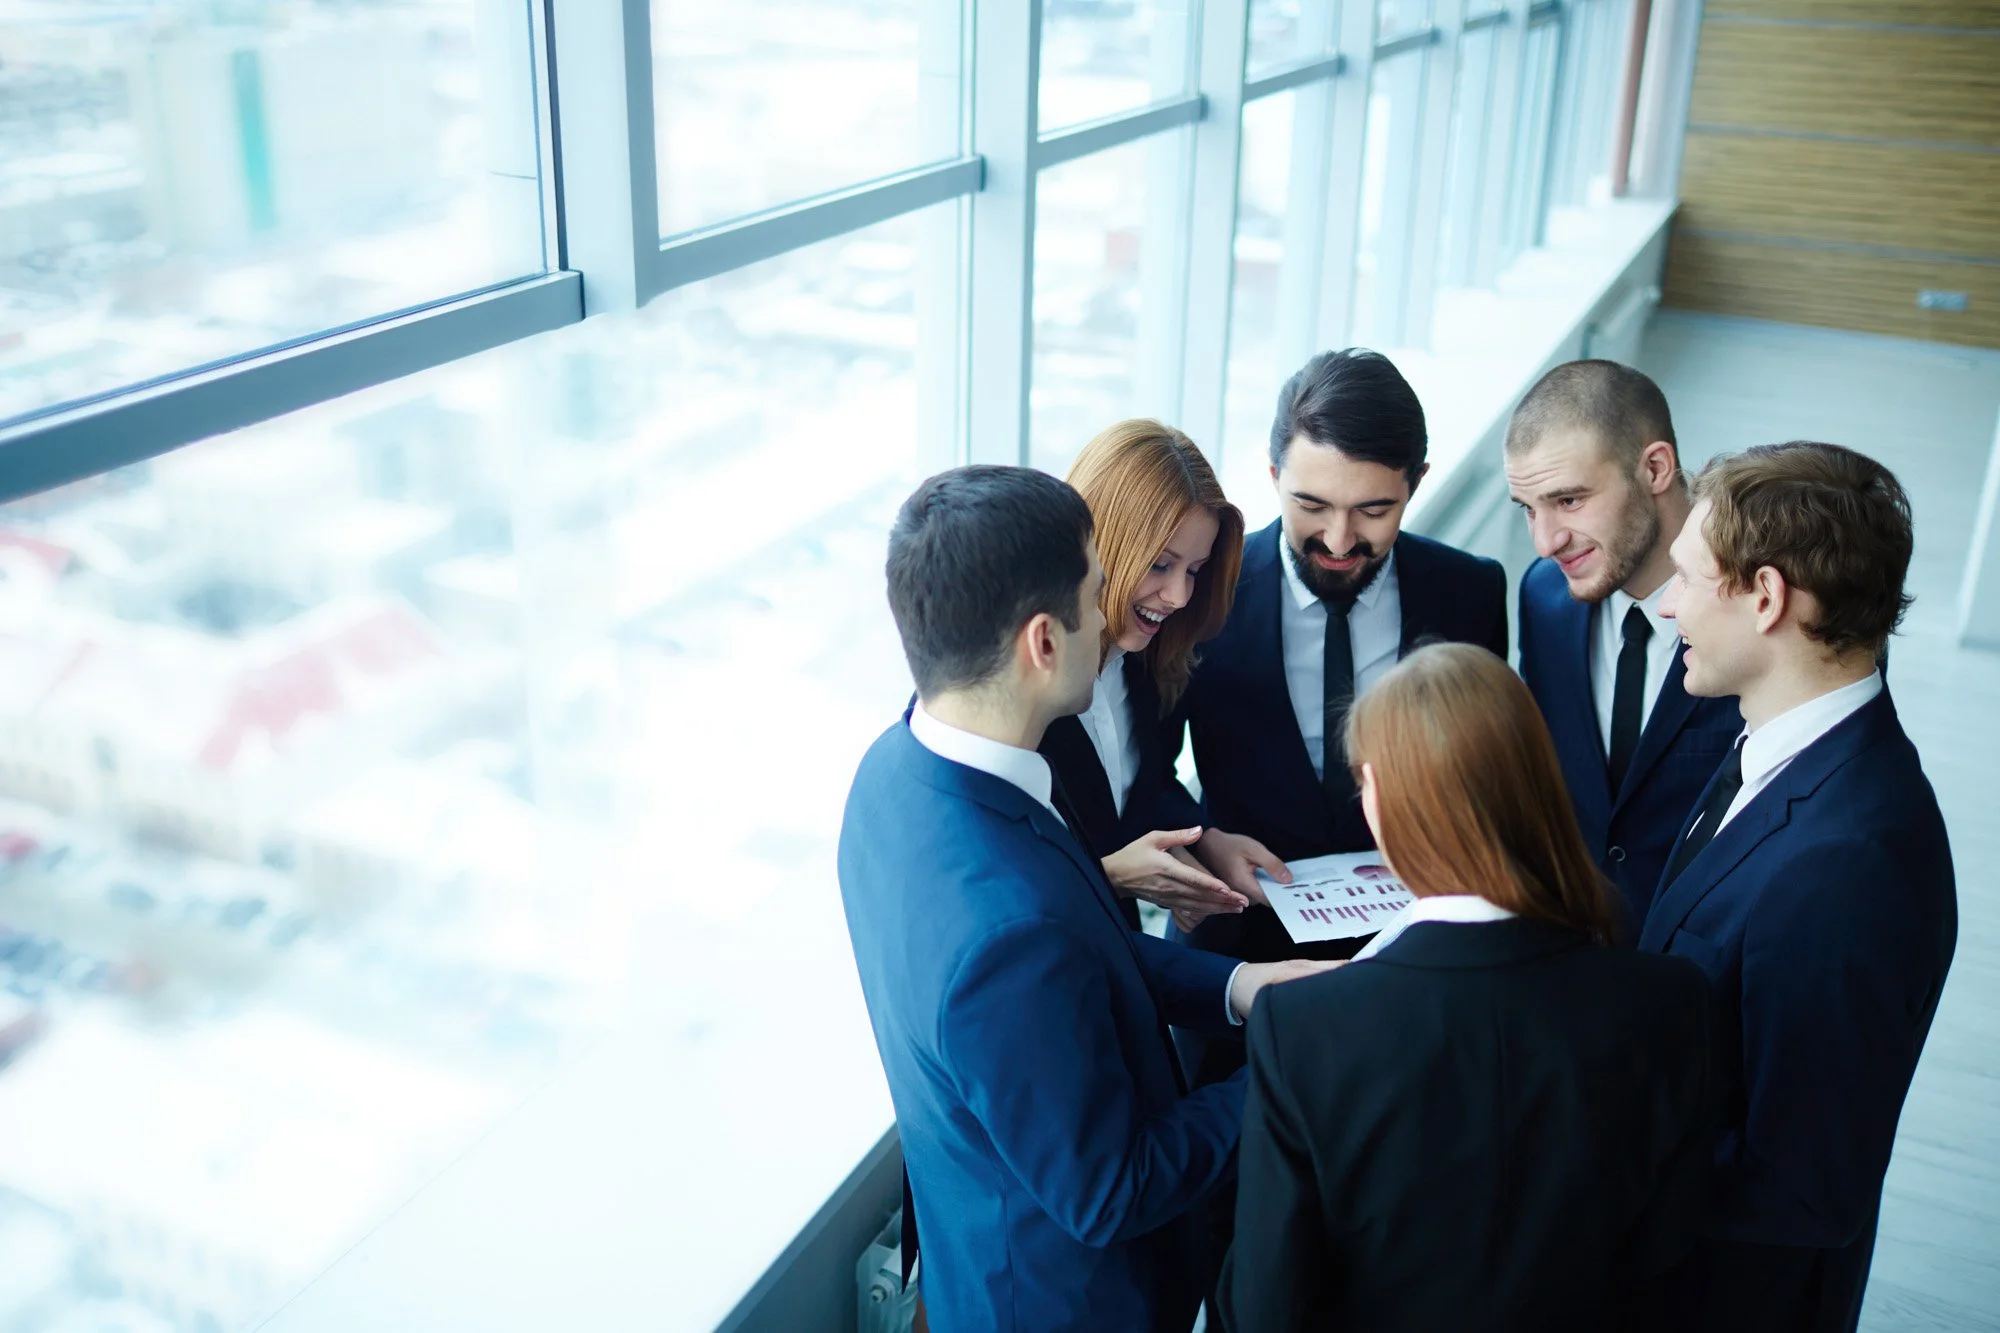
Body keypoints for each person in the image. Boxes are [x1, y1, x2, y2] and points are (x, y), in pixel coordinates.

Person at [838, 465, 1331, 1332]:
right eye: (1097, 592)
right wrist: (1297, 1066)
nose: (1115, 613)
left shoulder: (898, 772)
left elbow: (1075, 947)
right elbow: (1114, 1188)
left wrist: (1236, 987)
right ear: (1043, 642)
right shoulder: (1006, 928)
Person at [1217, 643, 1714, 1333]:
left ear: (1382, 803)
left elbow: (1264, 1307)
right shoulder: (1672, 1002)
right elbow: (1674, 1265)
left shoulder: (1302, 1026)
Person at [1646, 442, 1957, 1333]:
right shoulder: (1776, 743)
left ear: (1768, 597)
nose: (1669, 606)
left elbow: (1802, 1186)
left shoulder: (1848, 865)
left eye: (1689, 579)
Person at [1176, 348, 1509, 970]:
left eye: (1373, 511)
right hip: (1238, 945)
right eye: (1311, 505)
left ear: (1417, 480)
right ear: (1274, 472)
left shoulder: (1471, 593)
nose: (1337, 539)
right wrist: (1206, 842)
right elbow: (1145, 770)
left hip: (1416, 954)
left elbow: (1483, 770)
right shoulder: (1200, 592)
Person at [1507, 360, 1742, 929]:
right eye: (1528, 510)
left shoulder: (1754, 617)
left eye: (1568, 501)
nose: (1545, 542)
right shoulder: (1544, 596)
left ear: (1655, 468)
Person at [1038, 419, 1254, 931]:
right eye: (1160, 564)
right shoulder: (1021, 689)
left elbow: (1146, 785)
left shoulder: (1149, 658)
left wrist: (1205, 840)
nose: (1179, 596)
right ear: (1100, 544)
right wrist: (1109, 876)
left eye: (1195, 570)